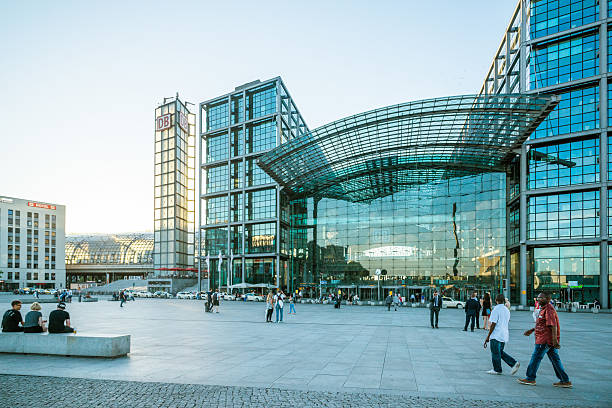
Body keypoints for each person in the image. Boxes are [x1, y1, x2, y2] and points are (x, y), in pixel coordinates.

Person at [517, 292, 572, 388]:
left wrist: (555, 341)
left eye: (541, 298)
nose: (538, 299)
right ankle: (565, 380)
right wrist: (532, 330)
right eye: (538, 298)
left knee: (535, 358)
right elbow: (543, 324)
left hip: (545, 340)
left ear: (548, 299)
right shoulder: (543, 309)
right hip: (545, 339)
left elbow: (553, 325)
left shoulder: (549, 309)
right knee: (555, 360)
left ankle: (530, 378)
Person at [484, 294, 520, 375]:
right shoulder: (506, 310)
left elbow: (493, 324)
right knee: (499, 352)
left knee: (495, 352)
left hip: (496, 334)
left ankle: (497, 369)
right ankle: (513, 363)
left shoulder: (496, 309)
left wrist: (488, 336)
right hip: (504, 334)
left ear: (496, 300)